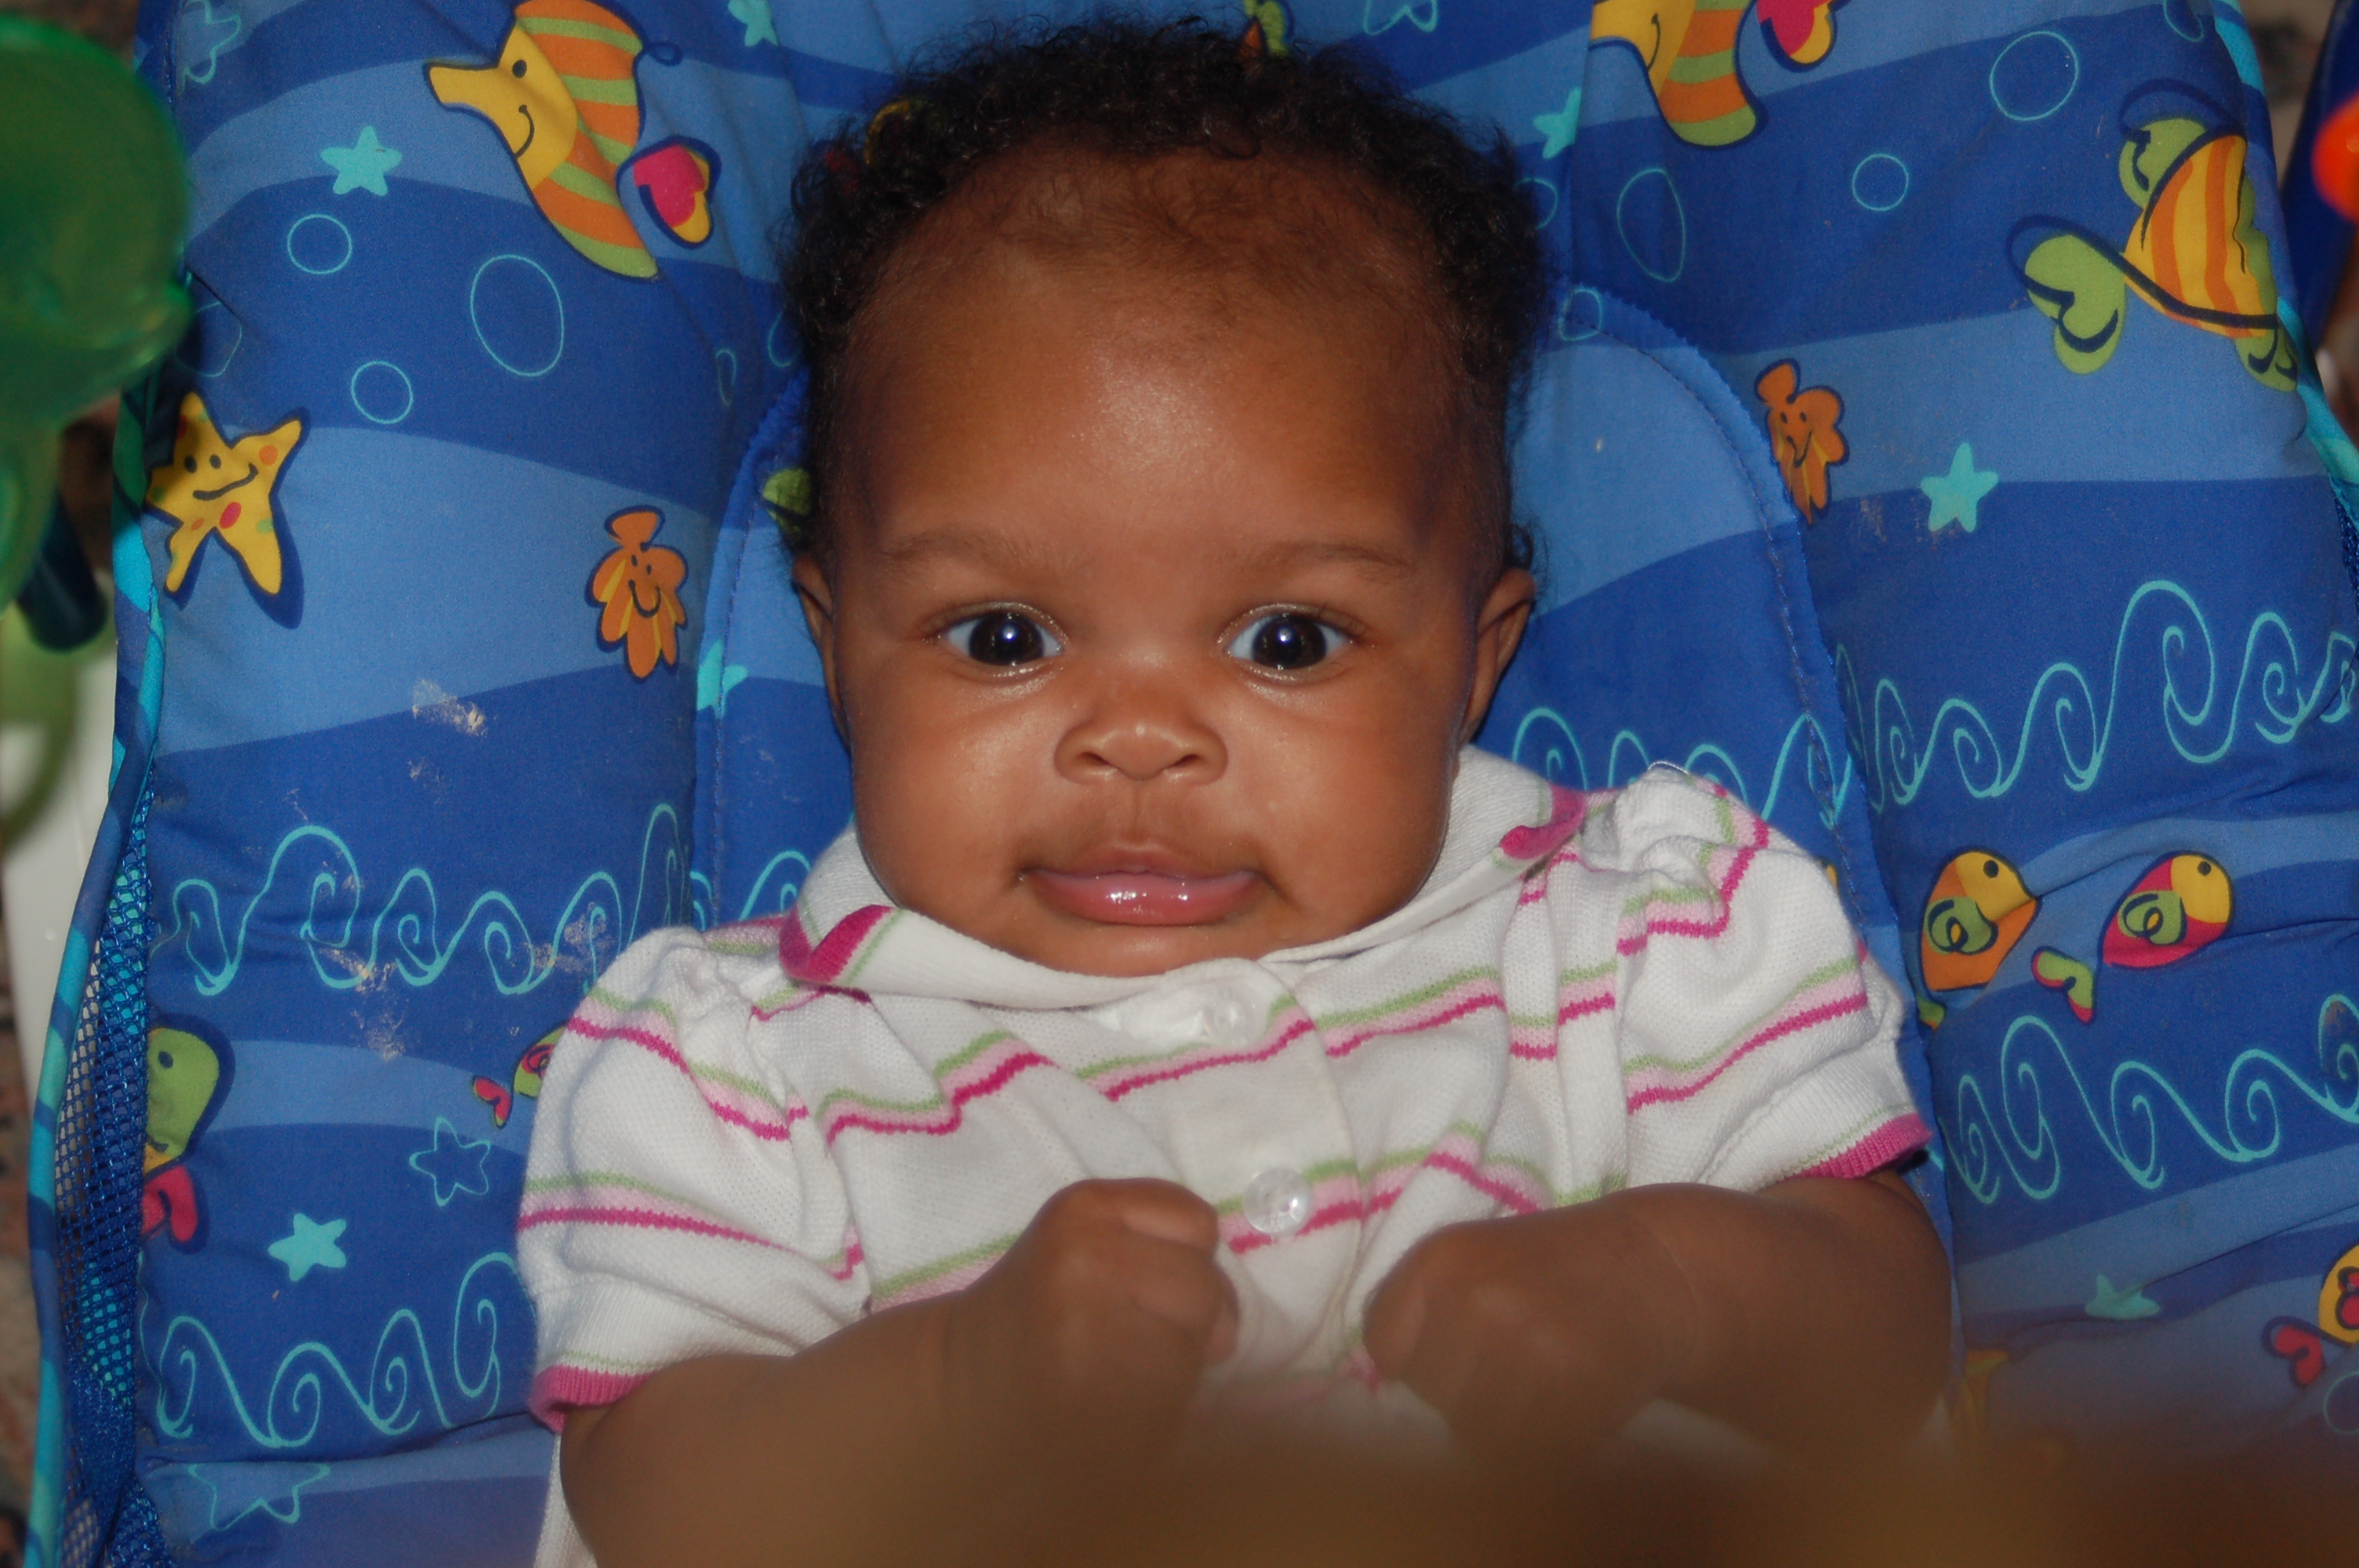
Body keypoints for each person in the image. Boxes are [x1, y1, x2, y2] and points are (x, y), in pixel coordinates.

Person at [517, 18, 1951, 1566]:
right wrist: (957, 1387)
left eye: (1287, 641)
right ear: (835, 644)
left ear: (1474, 662)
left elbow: (1885, 1325)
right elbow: (653, 1493)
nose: (1140, 741)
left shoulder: (1631, 941)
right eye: (1003, 638)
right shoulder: (743, 1068)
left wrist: (1667, 1287)